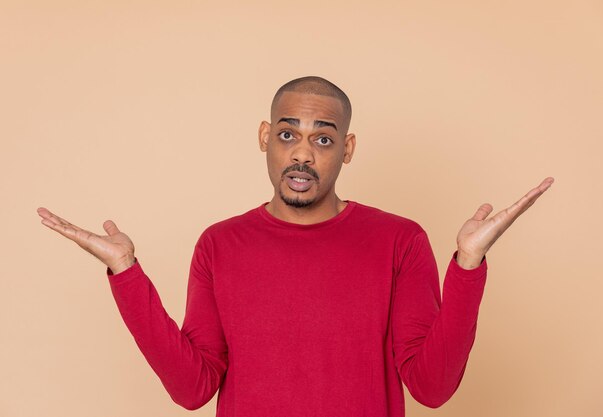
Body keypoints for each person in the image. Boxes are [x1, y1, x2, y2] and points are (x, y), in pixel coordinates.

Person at [37, 76, 554, 416]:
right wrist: (126, 272)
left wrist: (468, 264)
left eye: (323, 139)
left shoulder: (400, 240)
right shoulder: (220, 244)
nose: (302, 154)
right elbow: (192, 388)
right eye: (288, 135)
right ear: (265, 136)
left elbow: (432, 387)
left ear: (347, 149)